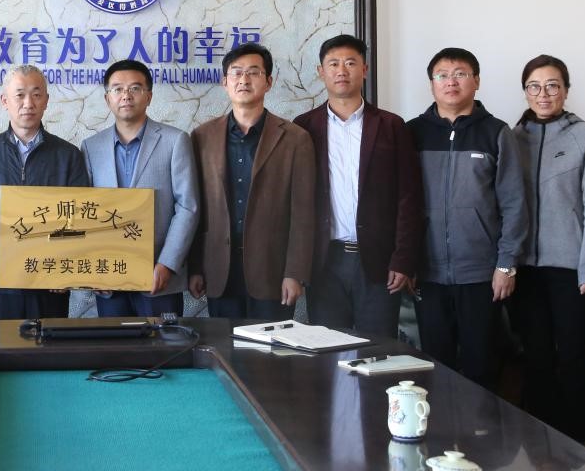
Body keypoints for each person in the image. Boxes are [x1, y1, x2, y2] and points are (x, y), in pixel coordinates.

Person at [407, 47, 528, 390]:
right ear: (431, 84)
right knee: (435, 367)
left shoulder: (496, 132)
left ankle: (482, 426)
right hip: (427, 273)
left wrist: (506, 265)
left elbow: (514, 204)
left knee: (482, 366)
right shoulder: (412, 132)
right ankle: (440, 425)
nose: (451, 82)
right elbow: (401, 203)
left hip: (481, 273)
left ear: (476, 81)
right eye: (442, 75)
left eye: (460, 74)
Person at [292, 34, 423, 337]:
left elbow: (408, 197)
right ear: (321, 72)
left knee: (378, 349)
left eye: (350, 63)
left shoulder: (391, 126)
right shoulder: (304, 127)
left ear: (364, 70)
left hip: (379, 260)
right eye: (333, 64)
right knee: (327, 347)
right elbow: (296, 202)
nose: (342, 71)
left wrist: (403, 259)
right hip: (325, 261)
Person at [510, 54, 585, 439]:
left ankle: (578, 444)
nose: (544, 94)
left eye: (553, 85)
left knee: (573, 356)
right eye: (534, 86)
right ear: (525, 91)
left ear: (566, 90)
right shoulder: (512, 137)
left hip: (571, 267)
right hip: (524, 269)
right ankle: (539, 444)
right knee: (535, 357)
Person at [189, 42, 315, 322]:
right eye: (236, 72)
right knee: (223, 345)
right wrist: (195, 267)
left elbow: (304, 213)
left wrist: (295, 273)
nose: (244, 80)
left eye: (253, 72)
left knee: (272, 348)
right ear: (224, 82)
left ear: (268, 82)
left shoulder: (295, 138)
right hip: (219, 269)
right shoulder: (202, 137)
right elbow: (196, 209)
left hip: (273, 270)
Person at [0, 64, 87, 321]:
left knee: (49, 344)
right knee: (0, 344)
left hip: (51, 280)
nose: (28, 103)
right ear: (4, 101)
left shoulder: (68, 155)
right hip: (0, 277)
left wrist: (68, 270)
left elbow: (82, 218)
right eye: (19, 95)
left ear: (46, 101)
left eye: (36, 94)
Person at [81, 59, 199, 317]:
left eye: (135, 88)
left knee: (164, 343)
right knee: (113, 343)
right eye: (117, 89)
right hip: (108, 280)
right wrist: (91, 267)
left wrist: (168, 263)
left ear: (149, 96)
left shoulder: (175, 141)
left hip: (158, 277)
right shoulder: (91, 147)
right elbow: (84, 211)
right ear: (107, 98)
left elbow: (187, 207)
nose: (126, 95)